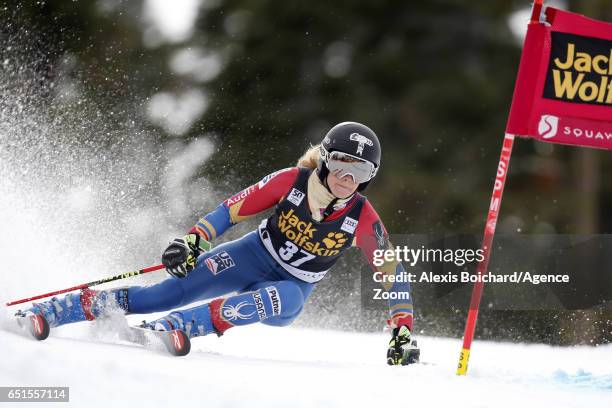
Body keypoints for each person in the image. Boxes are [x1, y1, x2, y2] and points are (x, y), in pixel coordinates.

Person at [23, 122, 416, 365]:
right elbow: (231, 210)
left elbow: (391, 273)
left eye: (361, 170)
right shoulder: (290, 181)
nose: (350, 177)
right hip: (251, 256)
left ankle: (182, 327)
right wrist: (194, 239)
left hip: (292, 285)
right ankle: (62, 308)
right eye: (344, 163)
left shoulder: (363, 218)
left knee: (287, 300)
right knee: (163, 294)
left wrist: (402, 329)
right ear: (327, 160)